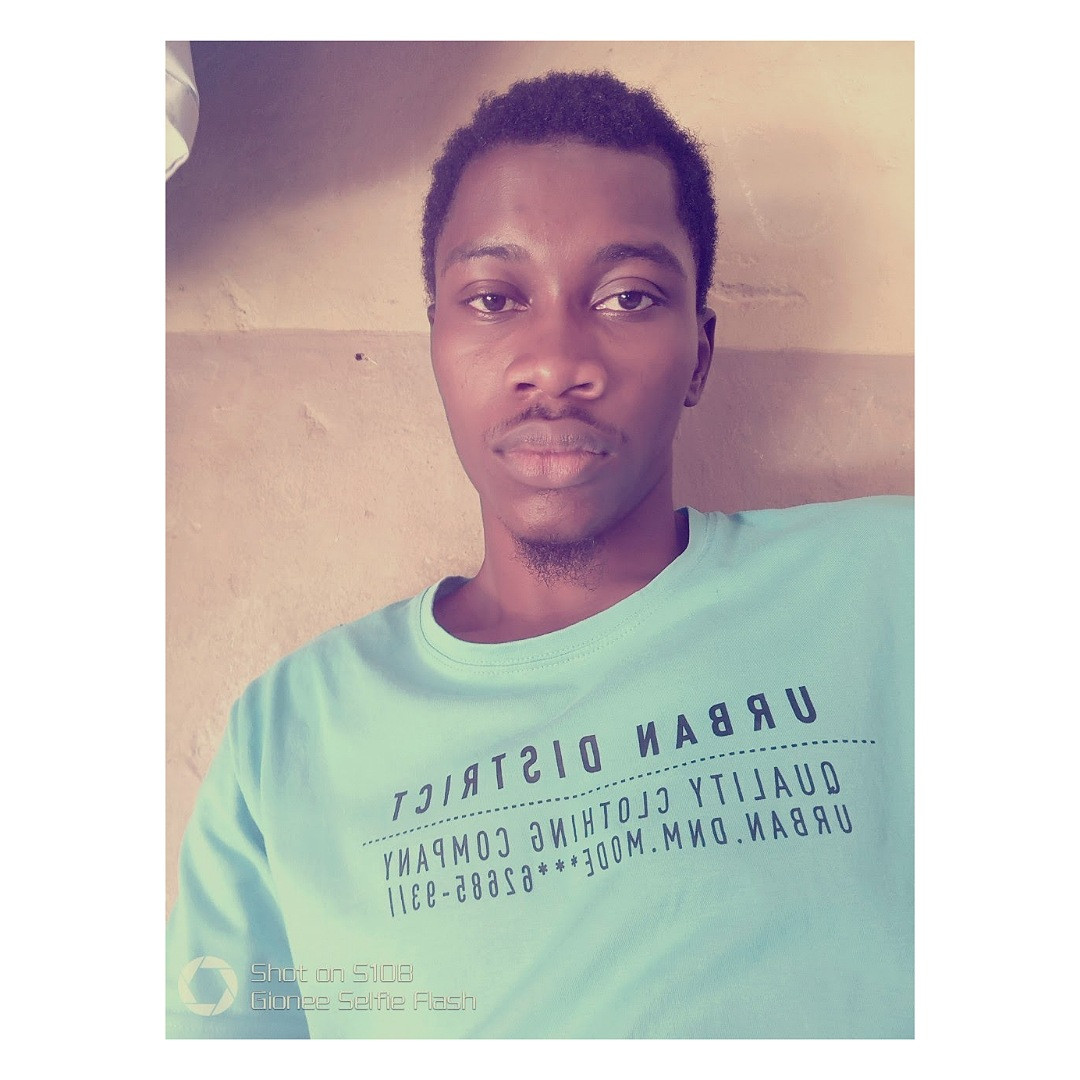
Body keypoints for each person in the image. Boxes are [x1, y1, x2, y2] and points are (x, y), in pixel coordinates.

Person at [166, 70, 913, 1039]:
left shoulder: (897, 585)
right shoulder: (288, 734)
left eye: (628, 296)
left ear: (699, 354)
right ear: (434, 341)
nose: (556, 362)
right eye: (492, 298)